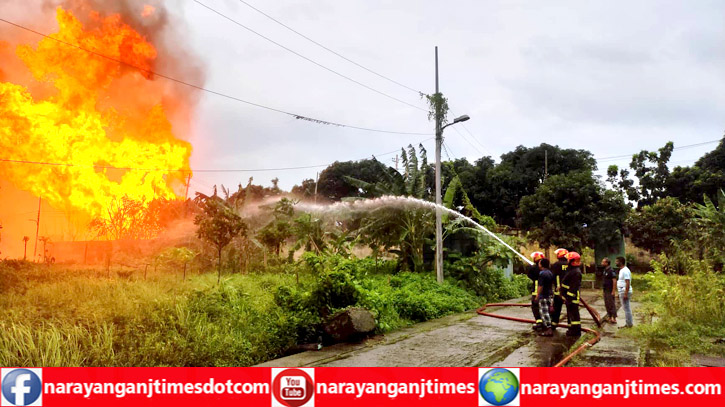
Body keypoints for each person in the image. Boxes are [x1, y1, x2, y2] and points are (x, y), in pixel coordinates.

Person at [562, 251, 583, 337]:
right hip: (569, 297)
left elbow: (573, 287)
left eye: (568, 260)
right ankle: (571, 329)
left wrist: (569, 298)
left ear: (572, 261)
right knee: (571, 314)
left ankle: (576, 331)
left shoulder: (576, 272)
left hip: (572, 297)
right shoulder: (572, 270)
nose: (566, 261)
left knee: (574, 315)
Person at [550, 248, 569, 329]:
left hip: (559, 291)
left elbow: (553, 276)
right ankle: (571, 325)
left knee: (557, 308)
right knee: (570, 309)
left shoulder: (556, 265)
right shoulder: (569, 264)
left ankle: (554, 323)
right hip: (569, 291)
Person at [536, 258, 555, 337]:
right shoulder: (550, 273)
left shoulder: (542, 273)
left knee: (544, 312)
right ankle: (549, 327)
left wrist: (537, 295)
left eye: (539, 263)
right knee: (548, 312)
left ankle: (548, 329)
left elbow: (541, 285)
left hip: (543, 296)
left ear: (542, 264)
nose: (538, 264)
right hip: (549, 295)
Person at [528, 252, 545, 331]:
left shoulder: (533, 268)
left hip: (536, 291)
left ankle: (539, 322)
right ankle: (546, 322)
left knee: (535, 306)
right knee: (544, 307)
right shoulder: (547, 268)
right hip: (546, 291)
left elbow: (529, 275)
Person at [616, 256, 634, 328]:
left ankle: (629, 324)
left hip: (624, 291)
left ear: (621, 262)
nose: (616, 263)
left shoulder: (625, 271)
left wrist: (625, 293)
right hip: (622, 291)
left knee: (626, 308)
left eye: (617, 261)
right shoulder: (622, 270)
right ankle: (628, 323)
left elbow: (627, 282)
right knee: (625, 307)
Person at [601, 257, 617, 324]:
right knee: (607, 304)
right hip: (605, 289)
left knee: (611, 303)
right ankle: (609, 316)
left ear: (607, 263)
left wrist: (613, 291)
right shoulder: (605, 270)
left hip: (610, 290)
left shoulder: (611, 270)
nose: (602, 263)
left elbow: (614, 280)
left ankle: (614, 317)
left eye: (603, 262)